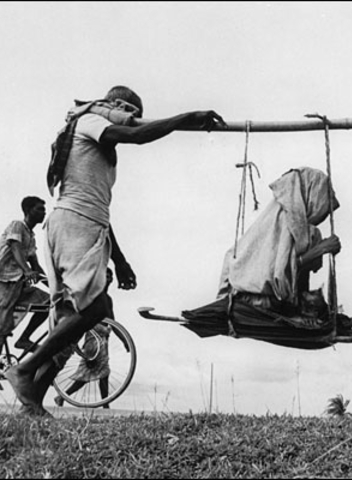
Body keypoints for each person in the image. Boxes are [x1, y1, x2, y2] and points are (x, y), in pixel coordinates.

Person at [5, 85, 227, 416]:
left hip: (85, 225)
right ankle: (24, 371)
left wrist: (119, 260)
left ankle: (32, 399)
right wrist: (186, 117)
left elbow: (101, 208)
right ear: (115, 105)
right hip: (74, 225)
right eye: (130, 113)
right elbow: (136, 135)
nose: (132, 120)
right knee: (92, 310)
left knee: (80, 315)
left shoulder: (99, 143)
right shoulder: (91, 120)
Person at [217, 166, 341, 319]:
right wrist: (321, 249)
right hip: (251, 297)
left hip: (272, 299)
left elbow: (297, 275)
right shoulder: (284, 220)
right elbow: (279, 272)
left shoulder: (304, 230)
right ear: (311, 196)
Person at [54, 268, 116, 409]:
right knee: (94, 372)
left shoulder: (107, 299)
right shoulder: (93, 297)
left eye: (110, 277)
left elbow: (113, 322)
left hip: (104, 338)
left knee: (100, 372)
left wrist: (124, 340)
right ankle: (104, 404)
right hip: (93, 338)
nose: (108, 279)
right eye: (105, 276)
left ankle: (104, 404)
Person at [0, 196, 50, 354]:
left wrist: (56, 286)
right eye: (39, 209)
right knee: (2, 327)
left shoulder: (31, 237)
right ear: (28, 210)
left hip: (19, 284)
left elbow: (36, 266)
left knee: (48, 303)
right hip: (5, 282)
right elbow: (15, 248)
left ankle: (24, 339)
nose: (44, 212)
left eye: (44, 209)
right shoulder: (17, 225)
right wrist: (27, 271)